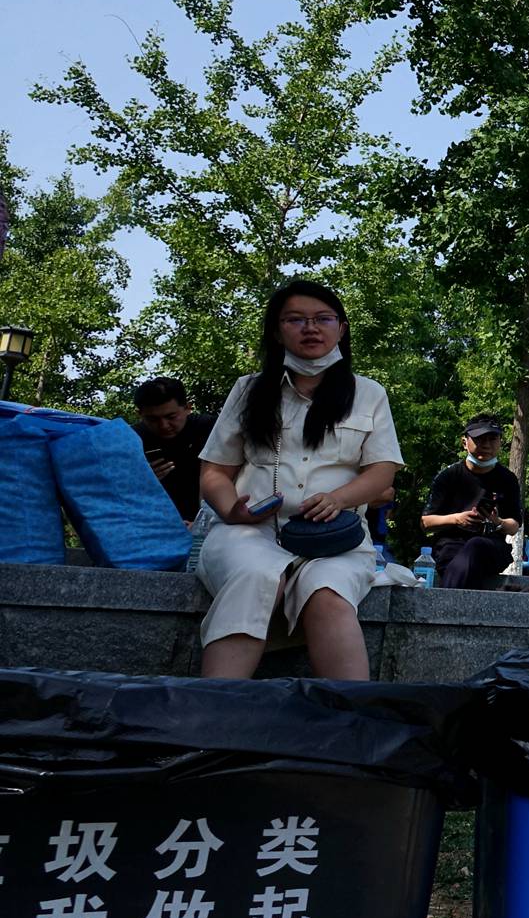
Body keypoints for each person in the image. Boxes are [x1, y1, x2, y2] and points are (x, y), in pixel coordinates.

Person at [195, 280, 401, 680]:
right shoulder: (249, 390)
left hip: (334, 540)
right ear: (276, 331)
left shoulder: (368, 393)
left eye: (323, 318)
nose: (311, 328)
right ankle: (211, 708)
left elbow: (382, 471)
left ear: (341, 329)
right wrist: (232, 510)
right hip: (250, 534)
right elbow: (215, 470)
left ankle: (349, 714)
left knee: (327, 593)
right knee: (257, 577)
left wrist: (340, 499)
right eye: (295, 320)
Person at [419, 415, 523, 590]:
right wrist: (457, 519)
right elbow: (425, 522)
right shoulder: (448, 476)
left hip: (490, 548)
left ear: (500, 442)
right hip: (450, 547)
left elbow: (514, 526)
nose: (486, 445)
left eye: (492, 439)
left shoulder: (508, 479)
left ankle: (446, 600)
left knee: (476, 545)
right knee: (461, 558)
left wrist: (497, 522)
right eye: (479, 439)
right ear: (464, 442)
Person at [132, 377, 215, 524]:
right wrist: (140, 480)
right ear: (140, 415)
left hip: (211, 519)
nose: (163, 425)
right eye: (152, 419)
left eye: (171, 417)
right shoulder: (131, 440)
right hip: (156, 522)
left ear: (188, 407)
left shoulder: (210, 428)